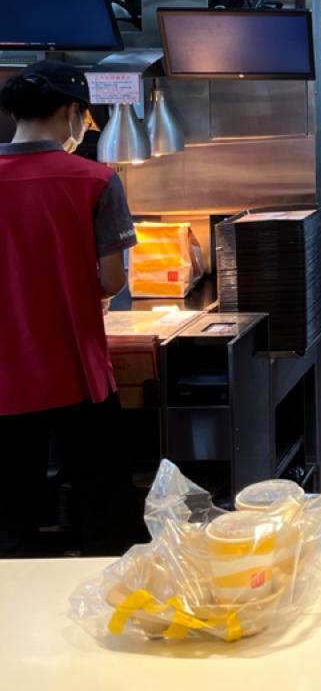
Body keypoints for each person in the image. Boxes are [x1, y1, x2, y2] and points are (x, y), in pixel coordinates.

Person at [0, 60, 139, 557]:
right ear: (70, 112)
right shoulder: (95, 180)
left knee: (9, 522)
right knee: (104, 513)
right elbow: (111, 280)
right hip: (77, 370)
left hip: (6, 377)